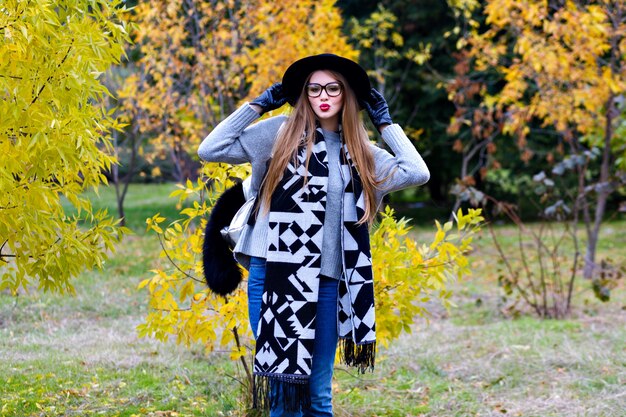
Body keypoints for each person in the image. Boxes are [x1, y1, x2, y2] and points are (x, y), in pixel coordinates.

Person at [198, 54, 429, 417]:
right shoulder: (278, 135)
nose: (323, 95)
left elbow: (416, 172)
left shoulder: (363, 154)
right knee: (284, 393)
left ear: (347, 95)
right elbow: (210, 149)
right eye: (314, 88)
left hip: (326, 283)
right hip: (272, 276)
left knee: (318, 394)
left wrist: (385, 123)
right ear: (303, 94)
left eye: (333, 88)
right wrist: (258, 104)